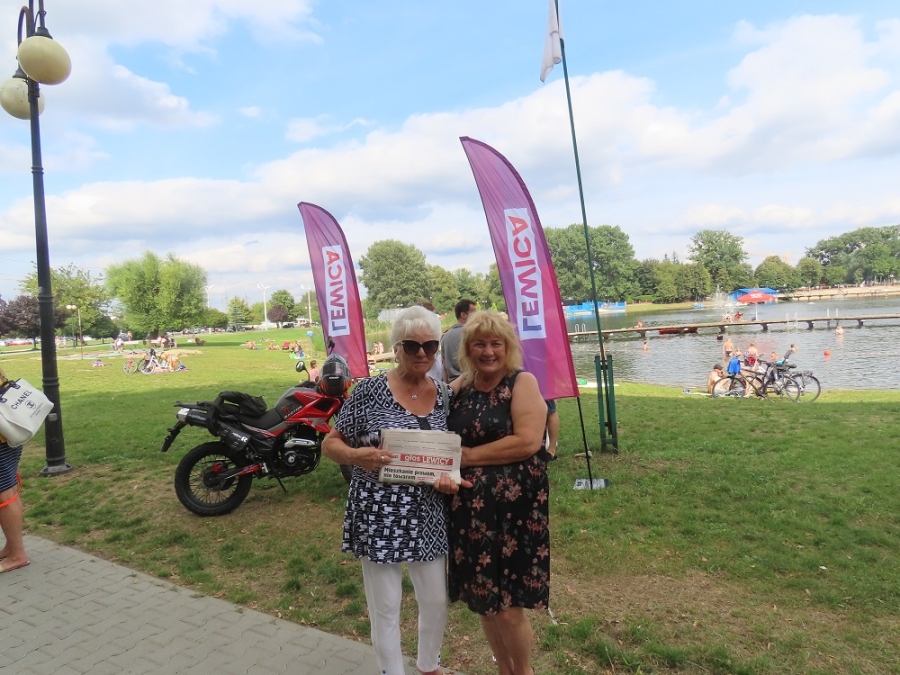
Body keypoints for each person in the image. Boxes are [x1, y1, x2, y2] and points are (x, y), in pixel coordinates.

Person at [321, 306, 463, 675]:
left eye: (430, 346)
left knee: (435, 599)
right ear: (396, 348)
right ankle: (391, 671)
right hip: (378, 512)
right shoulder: (370, 391)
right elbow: (330, 443)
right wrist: (357, 456)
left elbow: (447, 454)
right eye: (412, 345)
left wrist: (449, 478)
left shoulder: (444, 395)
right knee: (386, 605)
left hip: (428, 514)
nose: (422, 353)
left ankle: (428, 665)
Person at [447, 310, 550, 675]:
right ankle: (504, 669)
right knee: (484, 602)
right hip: (470, 512)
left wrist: (468, 457)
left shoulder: (522, 382)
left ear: (508, 347)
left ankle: (523, 671)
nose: (488, 351)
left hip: (513, 514)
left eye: (496, 343)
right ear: (467, 349)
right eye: (479, 344)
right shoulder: (461, 386)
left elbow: (527, 442)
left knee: (507, 609)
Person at [0, 368, 30, 574]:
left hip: (2, 434)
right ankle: (12, 547)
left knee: (4, 495)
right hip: (8, 428)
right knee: (8, 489)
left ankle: (17, 555)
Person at [440, 298, 477, 383]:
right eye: (474, 314)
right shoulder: (471, 334)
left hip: (453, 384)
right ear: (463, 315)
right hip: (470, 382)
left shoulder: (445, 336)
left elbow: (444, 367)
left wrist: (447, 388)